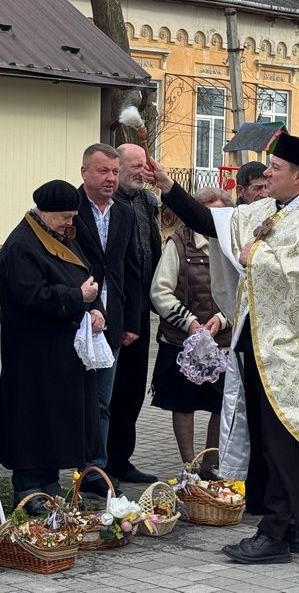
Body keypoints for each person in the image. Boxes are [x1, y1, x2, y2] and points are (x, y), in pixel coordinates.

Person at [148, 134, 299, 564]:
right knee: (279, 440)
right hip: (266, 345)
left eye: (275, 168)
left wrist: (257, 256)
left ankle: (275, 533)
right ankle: (294, 527)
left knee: (287, 443)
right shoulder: (270, 210)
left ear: (298, 176)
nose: (267, 174)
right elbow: (212, 222)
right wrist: (168, 186)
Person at [0, 180, 104, 503]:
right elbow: (32, 296)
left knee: (53, 421)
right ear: (45, 213)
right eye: (65, 217)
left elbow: (88, 276)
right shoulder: (22, 245)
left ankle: (49, 484)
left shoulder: (57, 236)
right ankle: (28, 487)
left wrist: (96, 309)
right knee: (31, 419)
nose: (71, 223)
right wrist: (78, 297)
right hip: (33, 351)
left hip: (61, 350)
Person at [150, 187, 234, 476]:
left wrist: (222, 319)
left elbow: (244, 291)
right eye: (208, 213)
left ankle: (211, 464)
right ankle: (190, 465)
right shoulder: (178, 243)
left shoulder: (232, 245)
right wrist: (189, 323)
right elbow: (160, 291)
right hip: (181, 339)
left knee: (220, 404)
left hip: (222, 340)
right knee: (183, 402)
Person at [74, 144, 142, 496]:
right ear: (84, 171)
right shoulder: (68, 208)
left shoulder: (125, 213)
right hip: (75, 319)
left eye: (115, 172)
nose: (111, 179)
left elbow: (129, 269)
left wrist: (131, 320)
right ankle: (70, 462)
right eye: (103, 171)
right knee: (74, 399)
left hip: (110, 322)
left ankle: (94, 471)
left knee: (102, 400)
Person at [107, 144, 162, 484]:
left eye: (145, 165)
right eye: (136, 165)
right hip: (113, 311)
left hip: (141, 309)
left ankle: (121, 458)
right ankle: (99, 461)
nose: (143, 171)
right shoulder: (107, 203)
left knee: (132, 390)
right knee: (108, 392)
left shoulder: (147, 202)